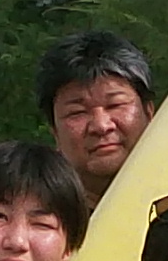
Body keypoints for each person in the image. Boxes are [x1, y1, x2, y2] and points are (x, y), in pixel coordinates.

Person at [36, 29, 154, 208]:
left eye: (115, 105)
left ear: (149, 112)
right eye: (77, 112)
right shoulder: (43, 226)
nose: (101, 126)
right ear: (55, 134)